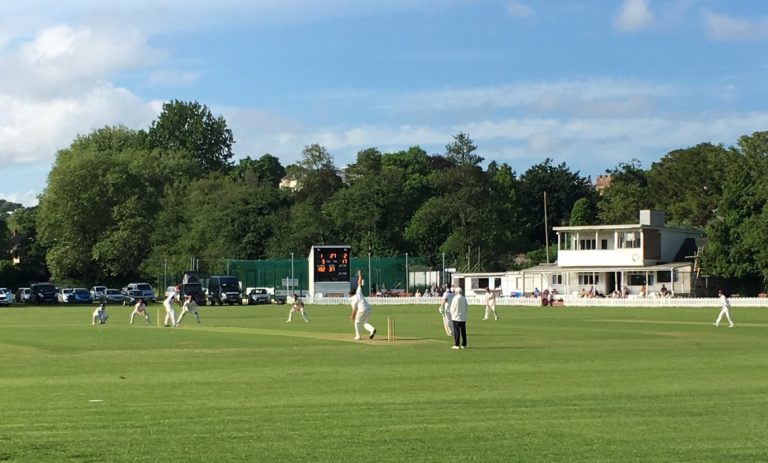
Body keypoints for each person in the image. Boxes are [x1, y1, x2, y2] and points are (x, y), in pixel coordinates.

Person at [349, 270, 376, 340]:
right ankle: (372, 330)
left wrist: (352, 316)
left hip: (362, 310)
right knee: (365, 322)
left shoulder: (352, 299)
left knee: (357, 322)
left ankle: (358, 336)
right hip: (368, 308)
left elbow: (354, 309)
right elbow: (359, 283)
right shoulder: (358, 292)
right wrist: (360, 275)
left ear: (350, 295)